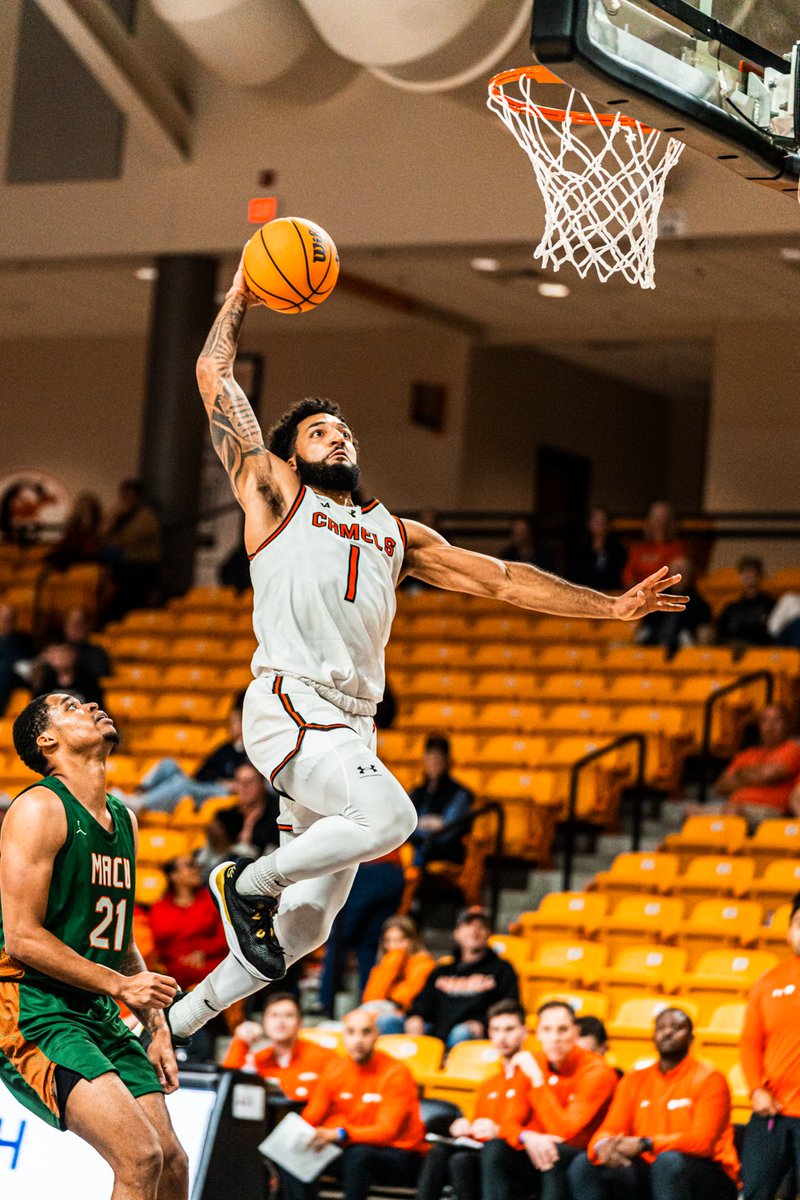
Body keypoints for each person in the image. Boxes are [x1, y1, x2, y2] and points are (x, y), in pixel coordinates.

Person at [162, 254, 688, 1046]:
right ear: (293, 451)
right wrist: (242, 289)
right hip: (291, 701)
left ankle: (174, 1020)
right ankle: (246, 878)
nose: (336, 437)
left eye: (342, 430)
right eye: (318, 432)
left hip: (348, 723)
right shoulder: (273, 492)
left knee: (304, 932)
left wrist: (610, 607)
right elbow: (212, 373)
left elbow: (505, 580)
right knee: (390, 816)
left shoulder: (395, 533)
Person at [0, 692, 187, 1199]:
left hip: (95, 1007)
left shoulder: (123, 818)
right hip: (34, 1005)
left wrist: (156, 1026)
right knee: (140, 1156)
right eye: (71, 706)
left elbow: (118, 936)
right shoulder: (39, 807)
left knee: (172, 1162)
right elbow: (20, 936)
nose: (90, 706)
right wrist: (124, 986)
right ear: (47, 740)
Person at [569, 1008, 739, 1200]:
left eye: (676, 1028)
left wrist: (646, 1144)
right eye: (661, 1028)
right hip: (652, 1168)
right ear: (653, 1036)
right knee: (585, 1164)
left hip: (709, 1173)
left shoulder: (710, 1079)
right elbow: (612, 1127)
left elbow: (703, 1143)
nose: (667, 1032)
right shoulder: (634, 1079)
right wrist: (602, 1146)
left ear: (691, 1038)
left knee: (668, 1163)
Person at [272, 1007, 427, 1200]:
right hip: (349, 1147)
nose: (358, 1040)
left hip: (398, 1153)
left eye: (366, 1032)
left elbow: (387, 1131)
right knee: (293, 1153)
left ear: (377, 1035)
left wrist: (339, 1133)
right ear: (343, 1036)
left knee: (358, 1154)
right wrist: (300, 1137)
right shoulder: (335, 1069)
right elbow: (312, 1115)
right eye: (351, 1032)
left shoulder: (396, 1073)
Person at [482, 1000, 618, 1200]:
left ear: (575, 1032)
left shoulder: (597, 1071)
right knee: (494, 1149)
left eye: (562, 1030)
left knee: (552, 1154)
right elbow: (509, 1122)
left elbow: (564, 1132)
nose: (555, 1038)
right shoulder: (534, 1062)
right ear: (537, 1034)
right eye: (547, 1030)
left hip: (581, 1154)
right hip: (538, 1148)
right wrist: (527, 1137)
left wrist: (538, 1081)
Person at [415, 999, 533, 1200]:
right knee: (439, 1153)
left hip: (519, 1157)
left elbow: (540, 1127)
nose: (502, 1037)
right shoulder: (490, 1083)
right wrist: (464, 1127)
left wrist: (499, 1131)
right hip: (484, 1153)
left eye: (509, 1029)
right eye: (496, 1030)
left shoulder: (534, 1074)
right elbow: (480, 1126)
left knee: (462, 1161)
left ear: (524, 1032)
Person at [739, 891, 800, 1200]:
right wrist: (756, 1089)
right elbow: (749, 1043)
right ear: (789, 930)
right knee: (754, 1193)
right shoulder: (769, 982)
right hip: (773, 1112)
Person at [405, 906, 519, 1048]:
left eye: (481, 926)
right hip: (436, 1031)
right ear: (456, 933)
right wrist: (416, 1016)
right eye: (468, 925)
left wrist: (483, 1023)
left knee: (462, 1032)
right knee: (388, 1022)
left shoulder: (502, 969)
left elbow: (509, 1006)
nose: (474, 931)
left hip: (472, 1034)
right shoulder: (442, 971)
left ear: (489, 933)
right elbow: (423, 1002)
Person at [318, 850, 406, 1019]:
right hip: (394, 872)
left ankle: (325, 1004)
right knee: (369, 946)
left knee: (338, 940)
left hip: (365, 867)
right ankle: (369, 1007)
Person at [129, 700, 249, 814]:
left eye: (233, 722)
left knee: (181, 784)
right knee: (168, 763)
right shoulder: (225, 748)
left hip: (223, 792)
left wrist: (233, 784)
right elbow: (201, 773)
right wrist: (217, 779)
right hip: (207, 785)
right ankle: (138, 793)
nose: (230, 726)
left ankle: (140, 804)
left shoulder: (250, 752)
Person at [222, 990, 336, 1099]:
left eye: (288, 1015)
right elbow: (226, 1085)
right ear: (264, 1022)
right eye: (274, 1015)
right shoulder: (258, 1060)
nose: (281, 1021)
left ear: (300, 1022)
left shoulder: (324, 1057)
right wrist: (241, 1042)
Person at [147, 855, 228, 992]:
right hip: (173, 970)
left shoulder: (212, 900)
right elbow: (157, 945)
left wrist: (203, 951)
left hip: (211, 964)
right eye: (190, 865)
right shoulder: (159, 907)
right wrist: (180, 958)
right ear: (174, 875)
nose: (197, 869)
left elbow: (226, 935)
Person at [713, 704, 800, 830]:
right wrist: (758, 775)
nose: (770, 726)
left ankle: (726, 849)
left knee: (733, 812)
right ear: (759, 726)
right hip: (733, 806)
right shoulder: (747, 754)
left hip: (769, 810)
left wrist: (739, 775)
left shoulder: (792, 749)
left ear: (787, 725)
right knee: (691, 813)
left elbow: (771, 774)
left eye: (776, 720)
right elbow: (720, 786)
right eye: (765, 720)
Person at [361, 916, 435, 1035]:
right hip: (381, 1011)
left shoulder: (424, 964)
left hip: (409, 1017)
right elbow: (371, 998)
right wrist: (393, 962)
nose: (395, 946)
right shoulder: (386, 963)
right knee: (360, 1018)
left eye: (400, 940)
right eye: (389, 941)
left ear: (413, 940)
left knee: (383, 1021)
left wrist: (396, 958)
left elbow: (405, 999)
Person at [409, 735, 473, 869]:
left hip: (443, 853)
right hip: (413, 850)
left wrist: (417, 825)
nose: (434, 761)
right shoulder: (417, 791)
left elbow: (446, 832)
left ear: (447, 760)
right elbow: (403, 824)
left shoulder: (459, 793)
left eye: (439, 757)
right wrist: (429, 823)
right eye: (430, 756)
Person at [103, 479, 163, 616]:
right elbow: (102, 534)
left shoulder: (147, 517)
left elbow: (124, 540)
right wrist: (114, 516)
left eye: (130, 497)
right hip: (122, 567)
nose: (126, 501)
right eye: (124, 497)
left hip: (141, 568)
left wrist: (114, 540)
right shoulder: (118, 515)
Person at [634, 556, 712, 656]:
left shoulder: (700, 604)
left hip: (683, 650)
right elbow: (645, 628)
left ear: (690, 576)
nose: (677, 578)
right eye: (674, 573)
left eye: (682, 573)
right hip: (653, 647)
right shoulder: (656, 599)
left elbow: (701, 633)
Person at [622, 502, 685, 589]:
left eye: (663, 517)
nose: (659, 521)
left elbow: (678, 581)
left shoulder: (677, 547)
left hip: (664, 595)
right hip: (640, 596)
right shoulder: (638, 548)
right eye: (655, 517)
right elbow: (628, 577)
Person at [716, 556, 775, 647]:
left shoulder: (770, 604)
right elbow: (721, 632)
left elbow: (771, 634)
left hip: (759, 651)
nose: (748, 575)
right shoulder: (731, 607)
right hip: (731, 649)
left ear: (760, 575)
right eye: (744, 572)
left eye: (752, 571)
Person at [569, 507, 628, 591]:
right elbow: (574, 577)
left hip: (612, 594)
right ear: (588, 523)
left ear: (608, 524)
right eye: (596, 520)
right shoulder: (579, 550)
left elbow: (620, 576)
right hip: (585, 594)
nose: (599, 524)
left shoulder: (618, 550)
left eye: (602, 521)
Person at [32, 640, 105, 708]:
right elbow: (37, 709)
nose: (59, 659)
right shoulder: (44, 679)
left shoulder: (87, 678)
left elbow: (96, 706)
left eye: (63, 655)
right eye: (54, 655)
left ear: (73, 655)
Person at [46, 491, 104, 569]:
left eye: (87, 507)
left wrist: (87, 523)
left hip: (88, 554)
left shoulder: (98, 523)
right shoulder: (73, 523)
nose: (84, 509)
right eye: (82, 507)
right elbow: (66, 539)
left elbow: (94, 541)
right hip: (72, 551)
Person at [0, 603, 34, 714]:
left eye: (10, 618)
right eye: (3, 618)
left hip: (15, 680)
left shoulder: (24, 640)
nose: (6, 622)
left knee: (5, 670)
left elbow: (28, 667)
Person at [63, 606, 111, 679]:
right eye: (70, 623)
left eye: (78, 624)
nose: (74, 628)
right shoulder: (58, 652)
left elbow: (97, 679)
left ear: (87, 627)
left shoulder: (97, 653)